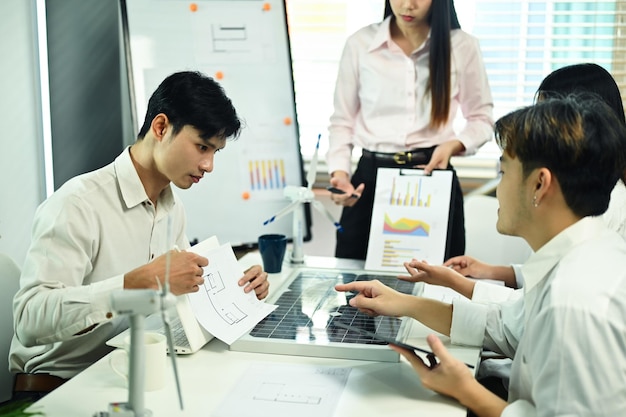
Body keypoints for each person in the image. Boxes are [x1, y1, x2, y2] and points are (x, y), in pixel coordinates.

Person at [335, 95, 626, 416]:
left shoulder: (574, 300)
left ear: (539, 184)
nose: (498, 188)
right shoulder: (590, 252)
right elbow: (507, 326)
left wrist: (467, 391)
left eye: (504, 172)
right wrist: (406, 304)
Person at [8, 71, 270, 402]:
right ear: (160, 127)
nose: (208, 165)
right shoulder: (77, 203)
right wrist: (137, 282)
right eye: (202, 146)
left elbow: (179, 298)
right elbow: (29, 319)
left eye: (215, 152)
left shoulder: (173, 209)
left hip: (130, 375)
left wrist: (238, 289)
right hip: (59, 387)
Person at [402, 63, 626, 302]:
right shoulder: (580, 193)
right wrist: (493, 272)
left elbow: (528, 308)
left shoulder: (596, 206)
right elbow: (546, 276)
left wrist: (452, 286)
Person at [326, 0, 493, 261]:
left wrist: (452, 145)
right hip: (370, 177)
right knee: (354, 279)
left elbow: (482, 119)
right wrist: (340, 174)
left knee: (437, 281)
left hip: (432, 174)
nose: (407, 5)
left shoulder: (462, 46)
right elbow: (342, 121)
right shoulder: (360, 44)